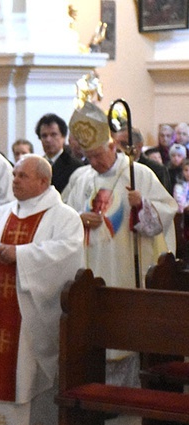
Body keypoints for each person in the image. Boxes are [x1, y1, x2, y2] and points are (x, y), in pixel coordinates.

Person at [0, 155, 83, 425]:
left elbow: (67, 254)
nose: (15, 180)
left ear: (43, 181)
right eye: (14, 174)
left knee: (29, 373)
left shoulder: (63, 217)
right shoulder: (1, 214)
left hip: (33, 312)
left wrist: (20, 255)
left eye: (23, 175)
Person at [64, 102, 177, 387]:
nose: (94, 162)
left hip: (124, 265)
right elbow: (62, 217)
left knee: (122, 329)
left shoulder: (138, 174)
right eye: (88, 157)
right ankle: (92, 386)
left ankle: (125, 390)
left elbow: (165, 214)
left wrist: (143, 205)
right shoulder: (80, 178)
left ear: (113, 146)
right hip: (88, 265)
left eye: (98, 155)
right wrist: (78, 218)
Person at [34, 113, 83, 194]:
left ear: (63, 137)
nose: (48, 140)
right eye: (44, 136)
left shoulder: (75, 166)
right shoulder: (36, 165)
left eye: (53, 135)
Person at [112, 127, 171, 193]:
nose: (118, 148)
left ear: (139, 146)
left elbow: (163, 200)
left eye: (124, 144)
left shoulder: (157, 169)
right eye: (115, 144)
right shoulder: (112, 168)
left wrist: (142, 201)